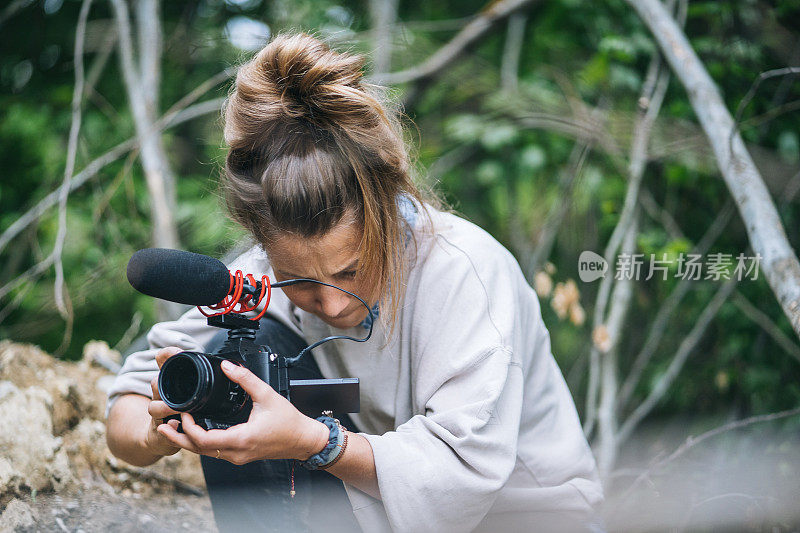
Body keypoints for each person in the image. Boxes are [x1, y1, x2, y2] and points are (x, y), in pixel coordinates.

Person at [105, 33, 604, 533]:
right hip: (381, 507)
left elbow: (460, 483)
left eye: (350, 270)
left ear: (386, 216)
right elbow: (126, 408)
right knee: (231, 363)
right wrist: (160, 431)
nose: (332, 303)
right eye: (299, 280)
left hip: (519, 517)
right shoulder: (262, 276)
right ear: (265, 248)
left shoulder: (465, 271)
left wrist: (315, 441)